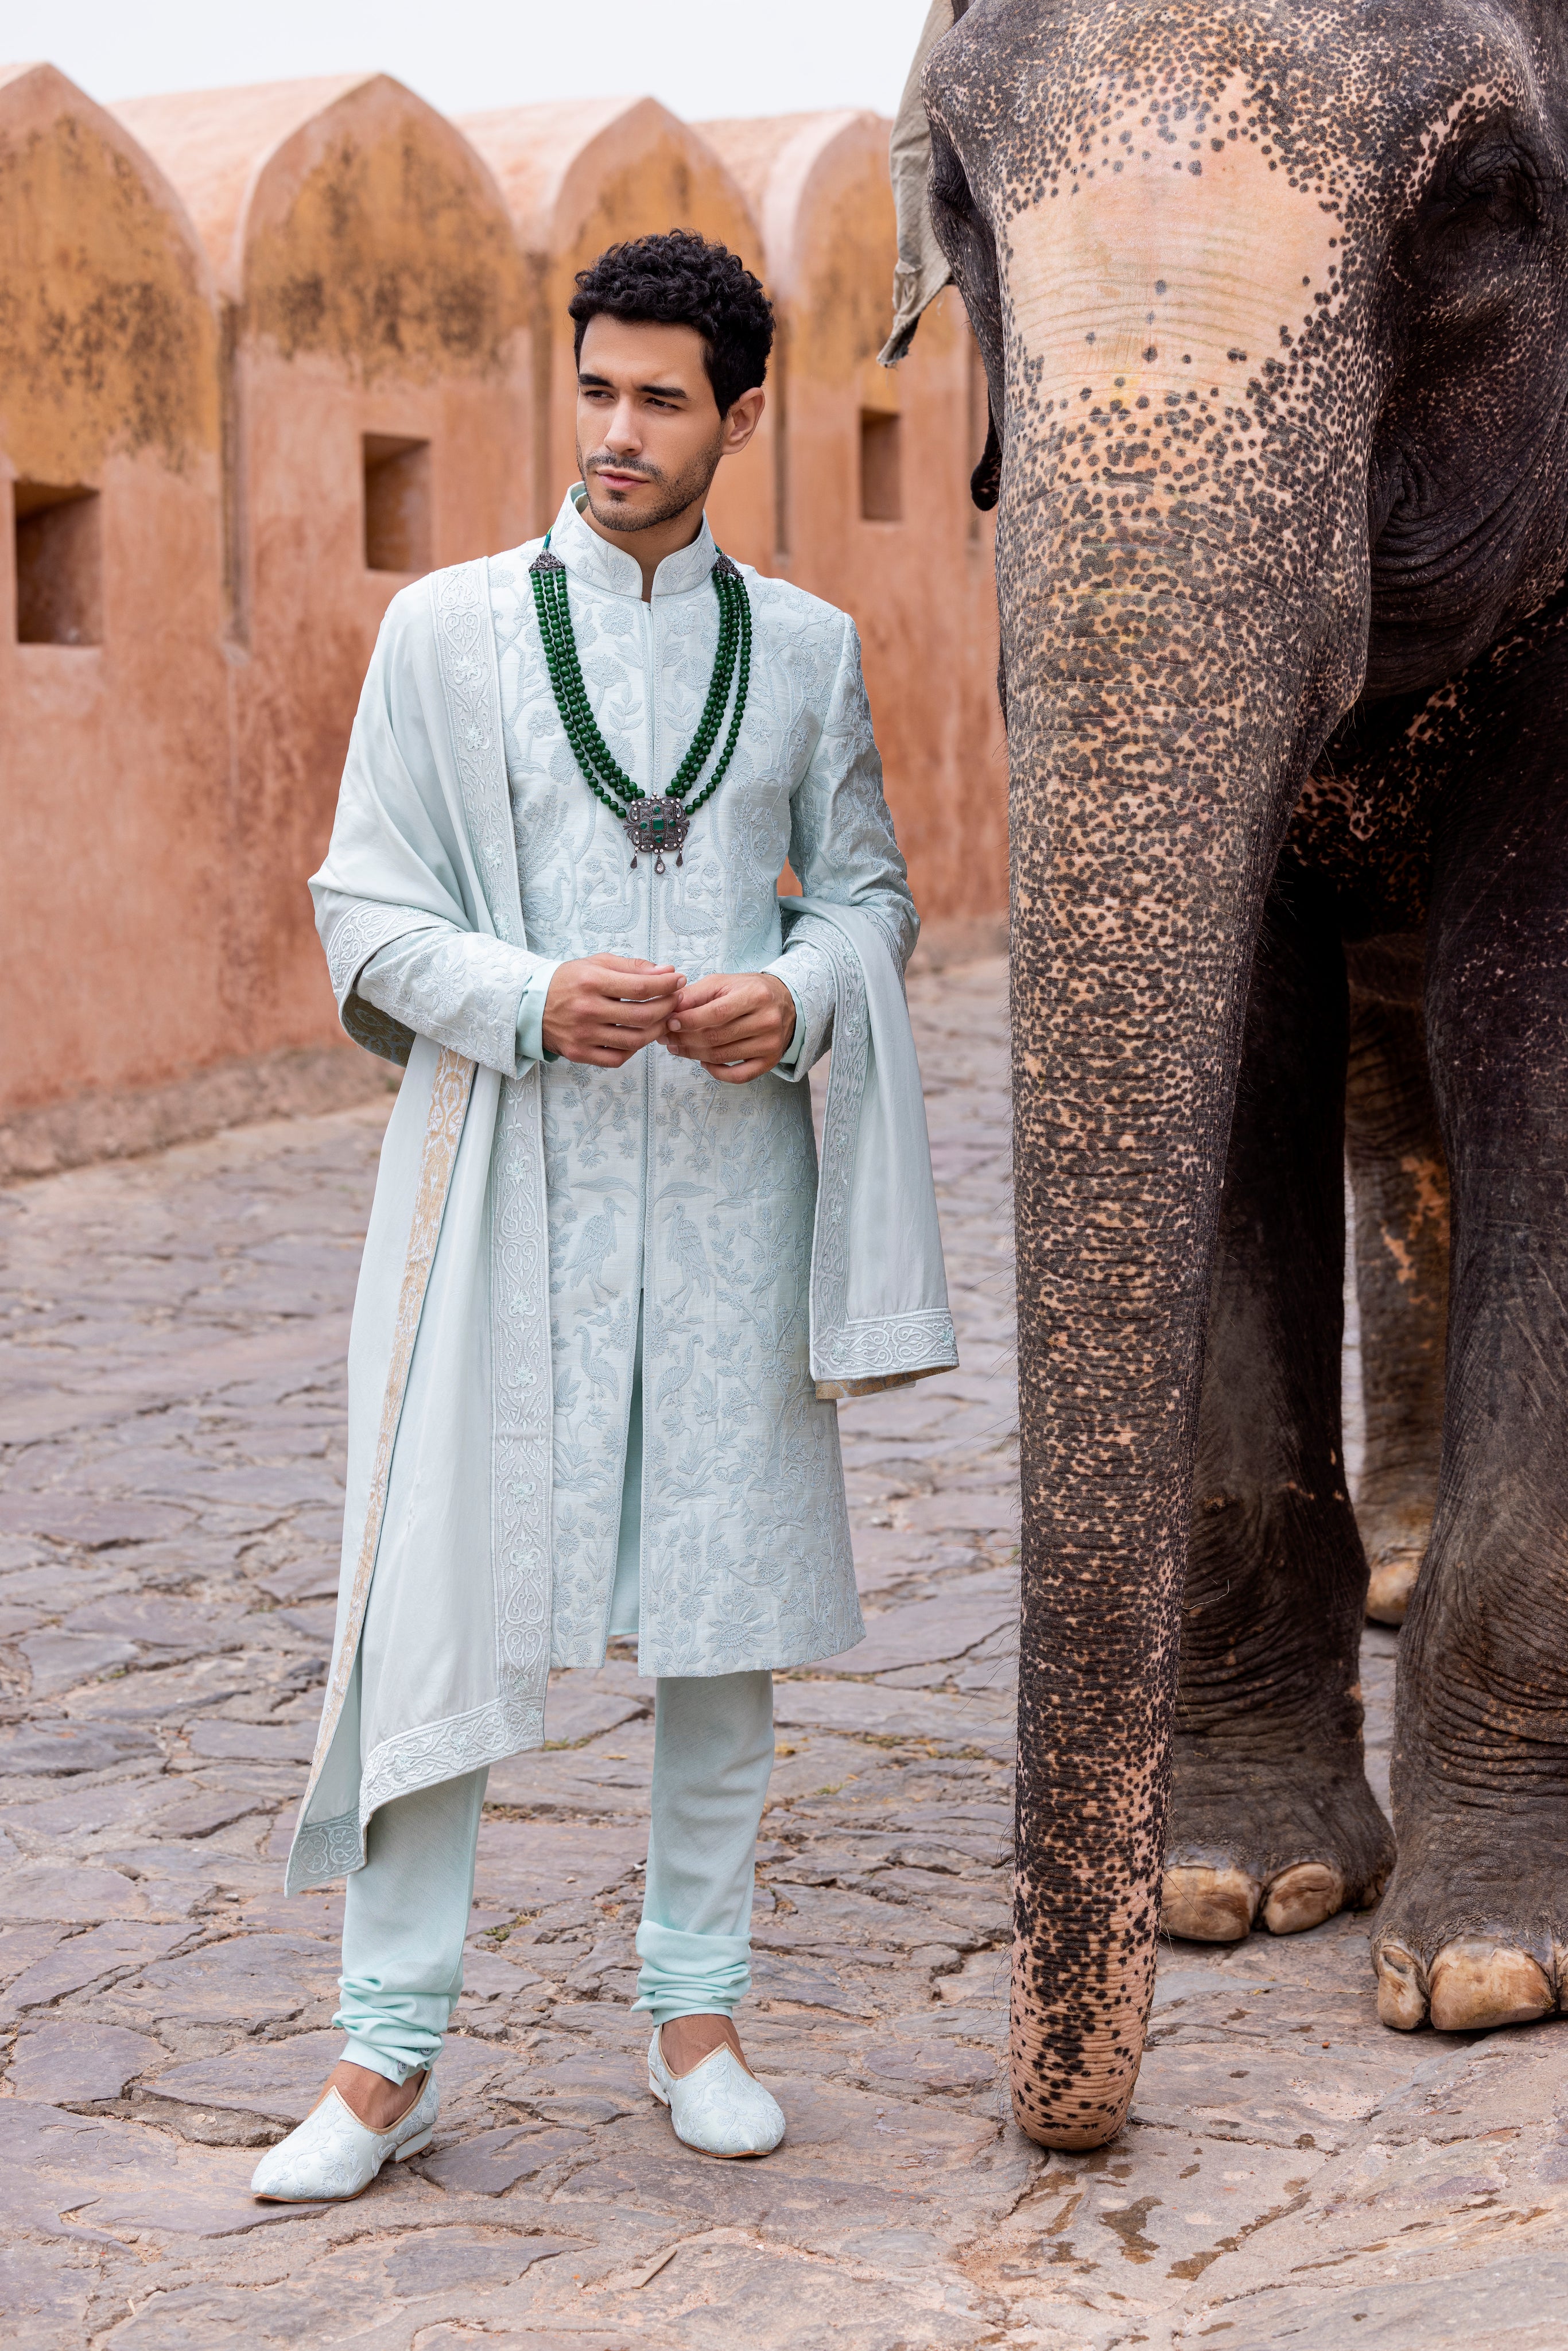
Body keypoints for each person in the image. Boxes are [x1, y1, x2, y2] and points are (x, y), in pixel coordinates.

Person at [252, 230, 954, 2201]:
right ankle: (384, 2053)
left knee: (722, 1618)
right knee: (437, 1595)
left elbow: (876, 897)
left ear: (745, 413)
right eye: (593, 391)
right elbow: (361, 908)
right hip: (505, 1178)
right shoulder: (447, 632)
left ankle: (698, 2011)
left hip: (733, 1185)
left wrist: (801, 994)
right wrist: (530, 998)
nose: (616, 435)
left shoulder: (804, 649)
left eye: (661, 399)